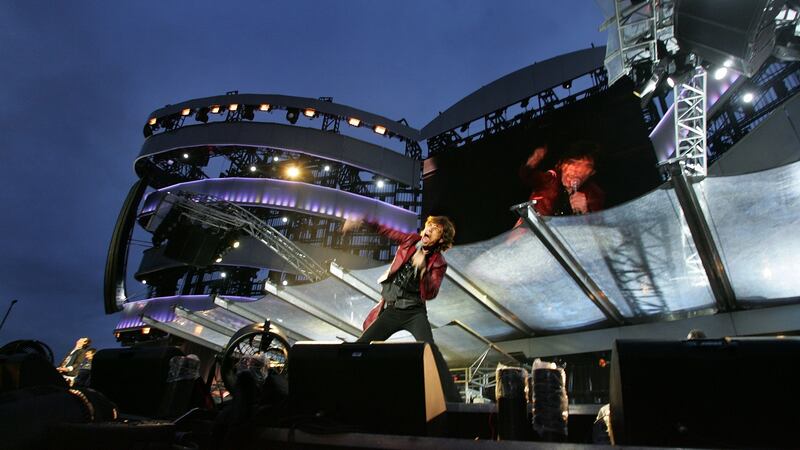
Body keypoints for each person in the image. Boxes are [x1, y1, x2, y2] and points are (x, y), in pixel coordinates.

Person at [343, 215, 461, 402]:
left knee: (430, 351)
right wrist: (363, 220)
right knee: (361, 345)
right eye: (429, 225)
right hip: (392, 310)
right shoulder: (410, 240)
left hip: (414, 313)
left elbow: (431, 293)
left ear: (441, 238)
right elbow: (385, 230)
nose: (429, 229)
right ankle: (343, 387)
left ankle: (454, 401)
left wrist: (423, 270)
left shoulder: (439, 263)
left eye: (436, 229)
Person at [519, 143, 605, 216]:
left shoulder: (594, 194)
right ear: (561, 165)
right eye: (572, 163)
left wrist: (585, 212)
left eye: (585, 166)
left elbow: (598, 226)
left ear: (592, 172)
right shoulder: (550, 178)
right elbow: (528, 176)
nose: (577, 170)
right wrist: (533, 161)